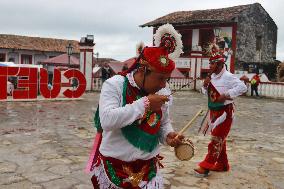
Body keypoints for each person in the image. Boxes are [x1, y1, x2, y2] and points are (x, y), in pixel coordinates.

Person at [90, 24, 185, 189]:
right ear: (143, 69)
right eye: (160, 78)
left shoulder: (163, 90)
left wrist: (168, 135)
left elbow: (162, 122)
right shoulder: (115, 85)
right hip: (115, 167)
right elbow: (107, 120)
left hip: (148, 169)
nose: (164, 84)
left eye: (167, 79)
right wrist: (145, 104)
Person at [194, 52, 247, 177]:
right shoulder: (211, 77)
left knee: (216, 139)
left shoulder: (228, 76)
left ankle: (206, 166)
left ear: (219, 64)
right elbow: (204, 93)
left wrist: (226, 95)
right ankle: (223, 164)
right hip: (213, 112)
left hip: (225, 113)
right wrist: (205, 86)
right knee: (219, 138)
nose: (210, 66)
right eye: (210, 63)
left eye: (212, 63)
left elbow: (243, 87)